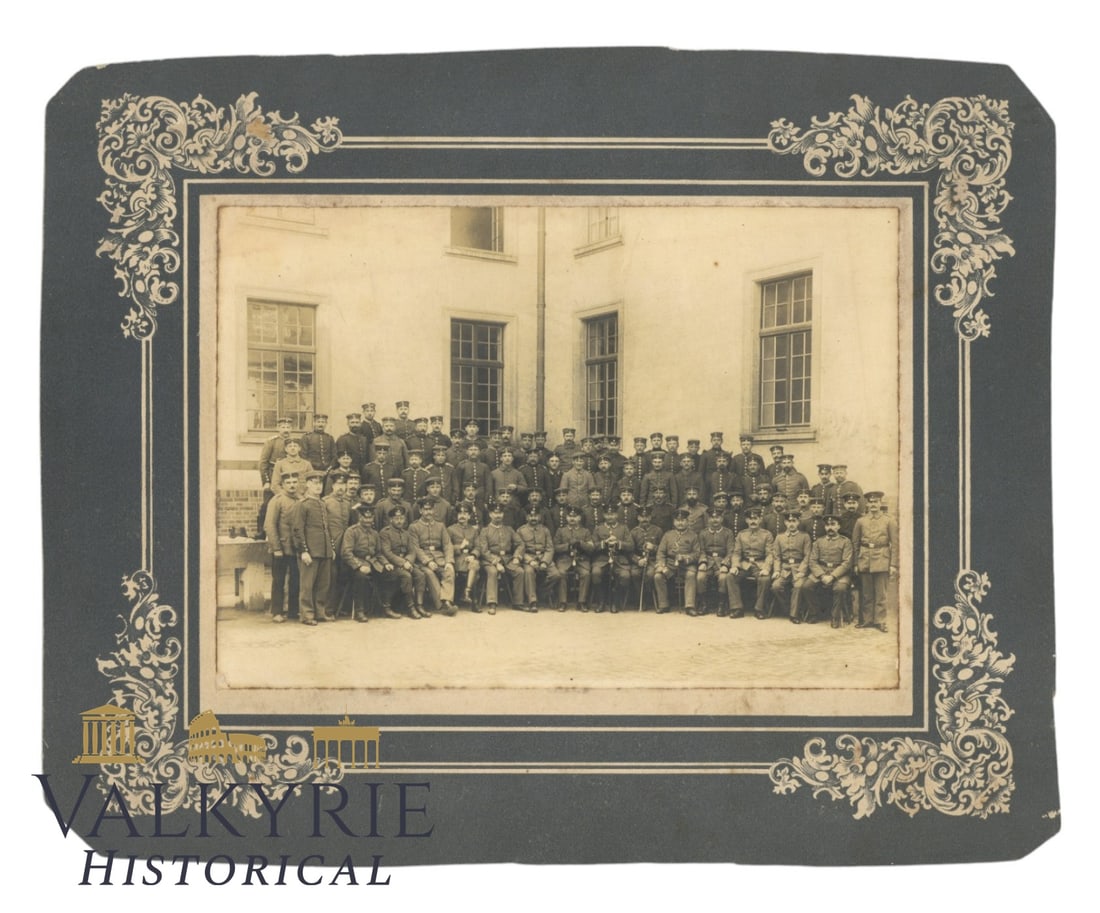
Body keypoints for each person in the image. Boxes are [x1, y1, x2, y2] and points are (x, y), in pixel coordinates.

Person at [291, 470, 338, 625]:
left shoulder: (322, 504)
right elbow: (297, 530)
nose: (319, 486)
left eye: (321, 483)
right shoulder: (302, 505)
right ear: (308, 485)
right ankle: (307, 615)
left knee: (323, 585)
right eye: (315, 483)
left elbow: (326, 528)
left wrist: (331, 549)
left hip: (324, 551)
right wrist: (303, 551)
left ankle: (320, 612)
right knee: (307, 585)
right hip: (310, 551)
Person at [852, 491, 898, 632]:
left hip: (882, 558)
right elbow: (855, 543)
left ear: (880, 503)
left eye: (876, 502)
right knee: (866, 593)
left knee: (881, 594)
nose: (873, 505)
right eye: (870, 502)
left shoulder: (889, 520)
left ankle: (880, 621)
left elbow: (895, 544)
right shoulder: (861, 521)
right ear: (867, 504)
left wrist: (893, 564)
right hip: (865, 559)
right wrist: (855, 563)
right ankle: (867, 620)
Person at [263, 470, 301, 623]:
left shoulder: (300, 500)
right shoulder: (277, 500)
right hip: (281, 548)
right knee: (278, 580)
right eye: (288, 483)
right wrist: (276, 547)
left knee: (295, 580)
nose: (292, 485)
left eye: (294, 482)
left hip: (295, 548)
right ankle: (277, 611)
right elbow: (269, 525)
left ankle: (293, 611)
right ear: (283, 484)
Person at [341, 502, 387, 622]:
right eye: (365, 517)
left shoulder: (374, 533)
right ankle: (359, 610)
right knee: (361, 577)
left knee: (391, 574)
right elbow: (346, 553)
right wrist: (358, 566)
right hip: (353, 565)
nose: (367, 520)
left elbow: (378, 553)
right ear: (359, 517)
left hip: (372, 562)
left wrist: (386, 563)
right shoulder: (351, 531)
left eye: (370, 517)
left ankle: (385, 607)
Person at [410, 496, 457, 616]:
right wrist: (427, 561)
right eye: (425, 509)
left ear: (434, 510)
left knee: (449, 571)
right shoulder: (414, 527)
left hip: (440, 558)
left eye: (430, 509)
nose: (428, 512)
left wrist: (449, 562)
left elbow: (447, 544)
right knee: (429, 574)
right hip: (422, 561)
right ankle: (441, 605)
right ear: (420, 511)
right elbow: (415, 547)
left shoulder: (440, 526)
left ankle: (447, 601)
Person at [806, 514, 854, 627]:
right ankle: (814, 613)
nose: (830, 527)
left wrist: (832, 576)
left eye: (833, 524)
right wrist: (822, 575)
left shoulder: (845, 542)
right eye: (827, 525)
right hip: (821, 571)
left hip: (839, 572)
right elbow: (812, 561)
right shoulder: (818, 541)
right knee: (806, 586)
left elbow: (847, 563)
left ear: (838, 526)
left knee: (840, 588)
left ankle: (835, 617)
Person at [379, 505, 426, 619]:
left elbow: (412, 551)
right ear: (391, 520)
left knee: (420, 575)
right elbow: (387, 552)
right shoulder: (385, 533)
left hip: (406, 563)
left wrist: (408, 562)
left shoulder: (406, 533)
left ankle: (419, 605)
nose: (399, 521)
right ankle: (410, 608)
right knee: (406, 576)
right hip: (391, 564)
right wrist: (402, 563)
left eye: (401, 518)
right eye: (396, 518)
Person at [478, 504, 524, 614]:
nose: (498, 515)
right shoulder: (485, 531)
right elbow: (484, 551)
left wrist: (517, 556)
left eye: (500, 513)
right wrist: (495, 562)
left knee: (519, 571)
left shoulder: (509, 529)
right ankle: (492, 603)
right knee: (493, 572)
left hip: (507, 559)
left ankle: (518, 602)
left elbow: (520, 544)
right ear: (490, 514)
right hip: (489, 560)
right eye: (495, 513)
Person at [654, 508, 701, 614]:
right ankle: (663, 604)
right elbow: (661, 552)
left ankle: (689, 606)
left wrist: (685, 558)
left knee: (691, 575)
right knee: (658, 576)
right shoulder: (667, 535)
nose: (680, 523)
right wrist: (662, 565)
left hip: (686, 565)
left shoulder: (693, 535)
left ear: (687, 522)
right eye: (678, 520)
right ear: (674, 522)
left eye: (683, 520)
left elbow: (697, 554)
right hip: (670, 563)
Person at [730, 507, 774, 619]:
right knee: (730, 577)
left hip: (760, 564)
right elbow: (736, 553)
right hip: (744, 564)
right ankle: (737, 608)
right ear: (746, 520)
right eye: (750, 519)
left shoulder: (767, 534)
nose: (753, 521)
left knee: (765, 579)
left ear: (760, 519)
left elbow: (770, 554)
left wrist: (766, 568)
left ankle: (759, 609)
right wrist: (735, 566)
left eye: (755, 518)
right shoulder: (741, 534)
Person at [590, 505, 632, 612]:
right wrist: (604, 543)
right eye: (607, 514)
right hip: (602, 559)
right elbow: (592, 546)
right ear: (604, 515)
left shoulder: (623, 528)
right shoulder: (598, 528)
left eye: (612, 514)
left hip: (619, 559)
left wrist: (618, 543)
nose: (610, 517)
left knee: (625, 576)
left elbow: (631, 545)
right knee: (595, 573)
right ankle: (601, 601)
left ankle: (615, 601)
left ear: (617, 515)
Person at [772, 510, 811, 624]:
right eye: (789, 521)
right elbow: (777, 556)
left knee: (798, 586)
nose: (791, 524)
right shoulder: (779, 537)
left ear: (798, 522)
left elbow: (807, 556)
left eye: (794, 521)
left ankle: (794, 615)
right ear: (785, 522)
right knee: (775, 586)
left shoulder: (805, 536)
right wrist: (777, 570)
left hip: (799, 568)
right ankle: (788, 608)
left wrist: (802, 571)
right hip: (784, 568)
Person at [552, 507, 594, 611]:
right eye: (570, 516)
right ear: (566, 517)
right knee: (561, 573)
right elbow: (555, 547)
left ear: (579, 518)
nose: (572, 519)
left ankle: (582, 602)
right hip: (564, 559)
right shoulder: (561, 531)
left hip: (581, 559)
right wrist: (567, 546)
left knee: (586, 574)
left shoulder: (585, 531)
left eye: (575, 516)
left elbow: (591, 548)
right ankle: (563, 602)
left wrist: (580, 543)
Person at [516, 508, 558, 612]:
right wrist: (530, 561)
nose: (533, 518)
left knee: (555, 574)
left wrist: (544, 561)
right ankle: (532, 601)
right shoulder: (521, 530)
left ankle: (540, 592)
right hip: (529, 558)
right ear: (527, 517)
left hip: (543, 556)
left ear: (539, 517)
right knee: (529, 572)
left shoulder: (545, 530)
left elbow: (550, 548)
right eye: (531, 516)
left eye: (535, 516)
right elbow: (520, 549)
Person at [696, 507, 736, 616]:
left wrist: (725, 564)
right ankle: (703, 604)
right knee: (700, 577)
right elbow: (701, 550)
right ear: (708, 519)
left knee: (723, 578)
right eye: (712, 518)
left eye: (717, 517)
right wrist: (703, 562)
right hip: (707, 561)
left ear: (722, 518)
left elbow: (731, 551)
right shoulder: (703, 533)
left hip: (721, 561)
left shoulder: (728, 533)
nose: (714, 520)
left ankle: (721, 605)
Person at [447, 504, 481, 608]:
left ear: (469, 516)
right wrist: (459, 547)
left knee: (474, 564)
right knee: (475, 570)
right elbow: (447, 547)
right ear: (456, 516)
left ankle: (467, 592)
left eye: (465, 513)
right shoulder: (451, 529)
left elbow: (478, 546)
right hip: (457, 558)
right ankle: (472, 599)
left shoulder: (473, 530)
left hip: (469, 558)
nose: (462, 516)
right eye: (460, 513)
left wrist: (473, 555)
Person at [629, 505, 662, 610]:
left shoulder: (657, 530)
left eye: (647, 517)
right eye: (642, 517)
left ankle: (649, 598)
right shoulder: (633, 532)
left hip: (653, 560)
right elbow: (629, 551)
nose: (644, 519)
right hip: (638, 561)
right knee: (634, 574)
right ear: (638, 518)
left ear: (650, 517)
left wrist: (654, 547)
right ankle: (640, 599)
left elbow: (663, 549)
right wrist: (638, 560)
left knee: (650, 574)